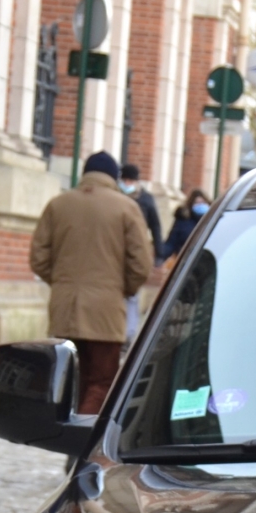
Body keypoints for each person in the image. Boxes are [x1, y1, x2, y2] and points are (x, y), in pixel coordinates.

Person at [29, 151, 154, 416]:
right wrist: (121, 289)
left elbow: (39, 258)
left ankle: (68, 436)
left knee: (69, 381)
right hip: (105, 310)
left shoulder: (58, 204)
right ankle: (81, 444)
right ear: (114, 177)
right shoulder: (126, 207)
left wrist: (62, 283)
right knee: (100, 382)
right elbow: (141, 264)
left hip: (65, 307)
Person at [118, 163, 164, 337]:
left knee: (132, 293)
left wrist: (159, 253)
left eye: (131, 180)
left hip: (135, 251)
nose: (128, 183)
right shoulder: (115, 195)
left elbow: (156, 226)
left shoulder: (146, 200)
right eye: (125, 180)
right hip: (116, 250)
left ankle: (129, 333)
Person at [158, 190, 210, 261]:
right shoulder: (182, 221)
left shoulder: (213, 220)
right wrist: (160, 256)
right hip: (186, 262)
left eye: (202, 203)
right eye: (197, 203)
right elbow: (171, 242)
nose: (200, 206)